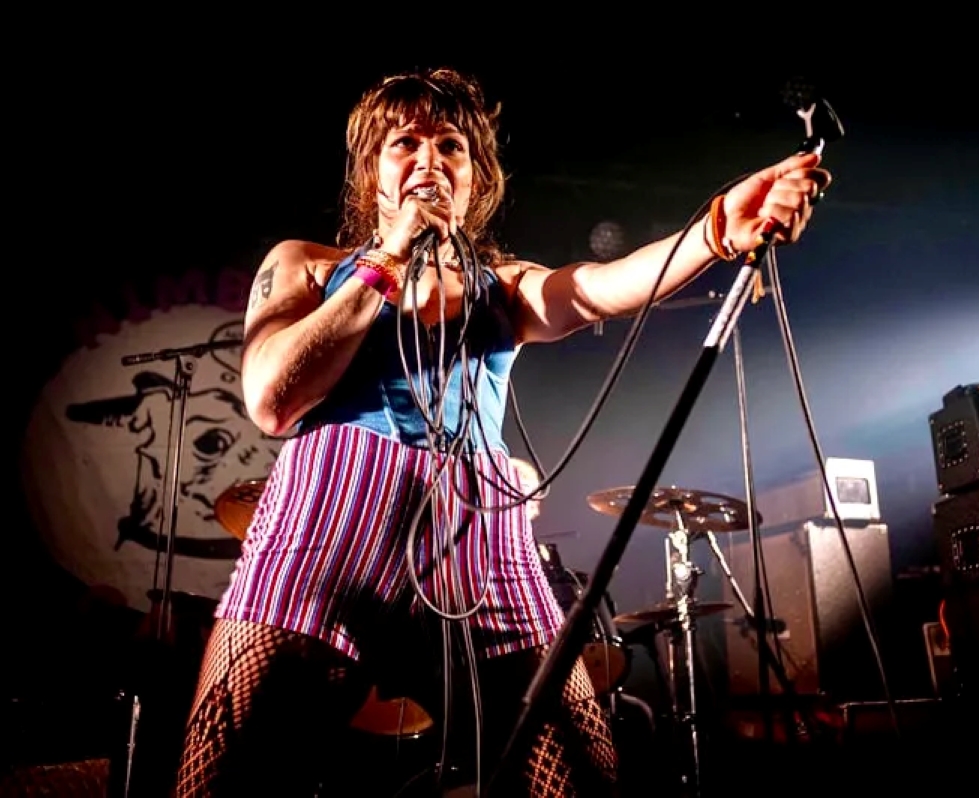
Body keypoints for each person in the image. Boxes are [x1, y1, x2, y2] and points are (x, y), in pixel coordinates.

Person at [174, 66, 831, 797]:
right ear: (372, 174)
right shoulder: (307, 265)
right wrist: (388, 259)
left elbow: (600, 287)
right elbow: (271, 400)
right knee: (222, 778)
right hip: (324, 538)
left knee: (579, 777)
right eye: (406, 143)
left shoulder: (504, 285)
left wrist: (714, 232)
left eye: (451, 145)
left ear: (474, 177)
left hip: (481, 552)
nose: (429, 159)